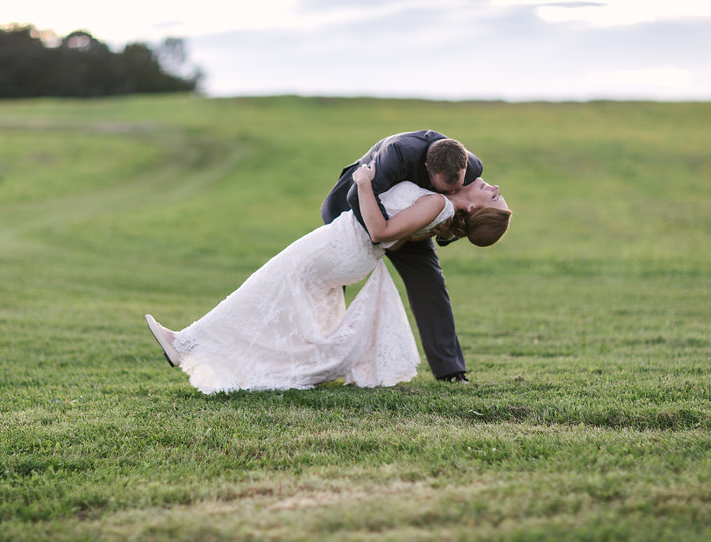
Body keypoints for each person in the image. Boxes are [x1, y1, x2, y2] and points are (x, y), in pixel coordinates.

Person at [145, 163, 511, 395]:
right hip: (348, 251)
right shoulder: (439, 208)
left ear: (476, 209)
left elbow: (382, 233)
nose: (492, 186)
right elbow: (397, 239)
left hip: (344, 245)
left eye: (494, 196)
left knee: (262, 286)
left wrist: (365, 183)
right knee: (291, 303)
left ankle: (184, 343)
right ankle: (306, 366)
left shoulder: (438, 205)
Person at [320, 131, 485, 383]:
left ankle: (450, 371)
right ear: (427, 168)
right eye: (445, 188)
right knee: (331, 282)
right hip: (352, 211)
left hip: (413, 223)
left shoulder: (472, 166)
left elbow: (464, 211)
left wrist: (442, 233)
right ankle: (318, 358)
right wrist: (392, 235)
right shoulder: (398, 153)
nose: (453, 192)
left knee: (430, 283)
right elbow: (357, 194)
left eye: (457, 186)